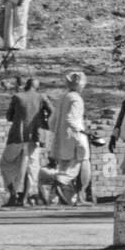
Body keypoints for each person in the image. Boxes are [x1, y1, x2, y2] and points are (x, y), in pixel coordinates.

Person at [37, 71, 91, 206]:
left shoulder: (63, 97)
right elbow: (71, 119)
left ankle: (56, 198)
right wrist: (83, 132)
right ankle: (71, 192)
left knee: (64, 166)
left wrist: (58, 134)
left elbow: (52, 120)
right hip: (75, 137)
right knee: (76, 167)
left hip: (62, 139)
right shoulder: (76, 99)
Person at [0, 77, 50, 206]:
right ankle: (24, 198)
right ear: (36, 87)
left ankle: (12, 195)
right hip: (34, 137)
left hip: (17, 136)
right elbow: (53, 112)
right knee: (31, 168)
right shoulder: (41, 97)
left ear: (26, 86)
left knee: (6, 164)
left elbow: (9, 116)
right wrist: (42, 122)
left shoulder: (17, 97)